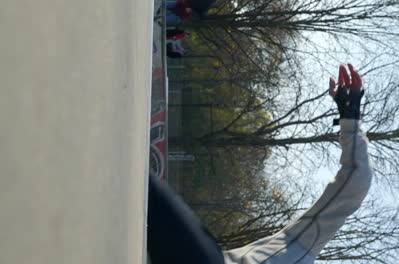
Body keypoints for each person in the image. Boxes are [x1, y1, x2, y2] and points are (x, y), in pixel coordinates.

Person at [147, 64, 373, 264]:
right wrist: (350, 117)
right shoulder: (303, 246)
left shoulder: (302, 247)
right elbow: (355, 180)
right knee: (148, 193)